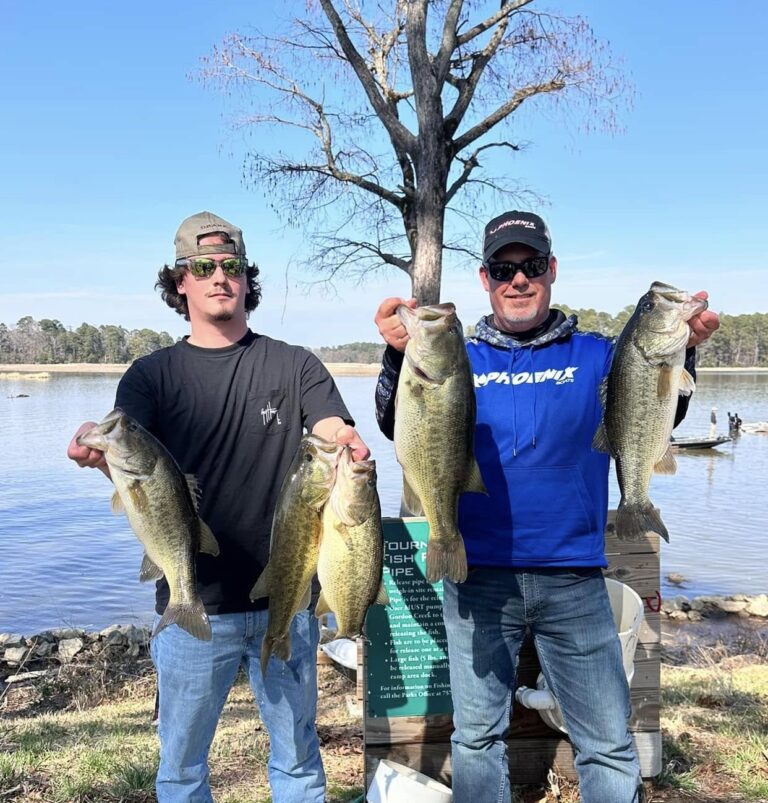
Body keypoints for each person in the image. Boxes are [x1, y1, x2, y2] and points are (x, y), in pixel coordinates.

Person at [373, 210, 719, 803]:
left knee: (608, 742)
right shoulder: (459, 354)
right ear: (484, 278)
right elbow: (397, 423)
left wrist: (681, 356)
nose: (518, 281)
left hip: (576, 579)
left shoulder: (599, 354)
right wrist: (394, 358)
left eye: (530, 266)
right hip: (475, 573)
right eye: (503, 269)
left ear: (551, 269)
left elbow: (650, 418)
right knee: (477, 737)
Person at [67, 211, 369, 803]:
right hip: (191, 605)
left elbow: (332, 425)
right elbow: (132, 458)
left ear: (246, 278)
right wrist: (99, 452)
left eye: (231, 267)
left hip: (288, 599)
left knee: (299, 762)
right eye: (202, 267)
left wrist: (344, 444)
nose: (218, 277)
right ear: (180, 281)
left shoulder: (294, 363)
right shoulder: (151, 376)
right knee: (181, 771)